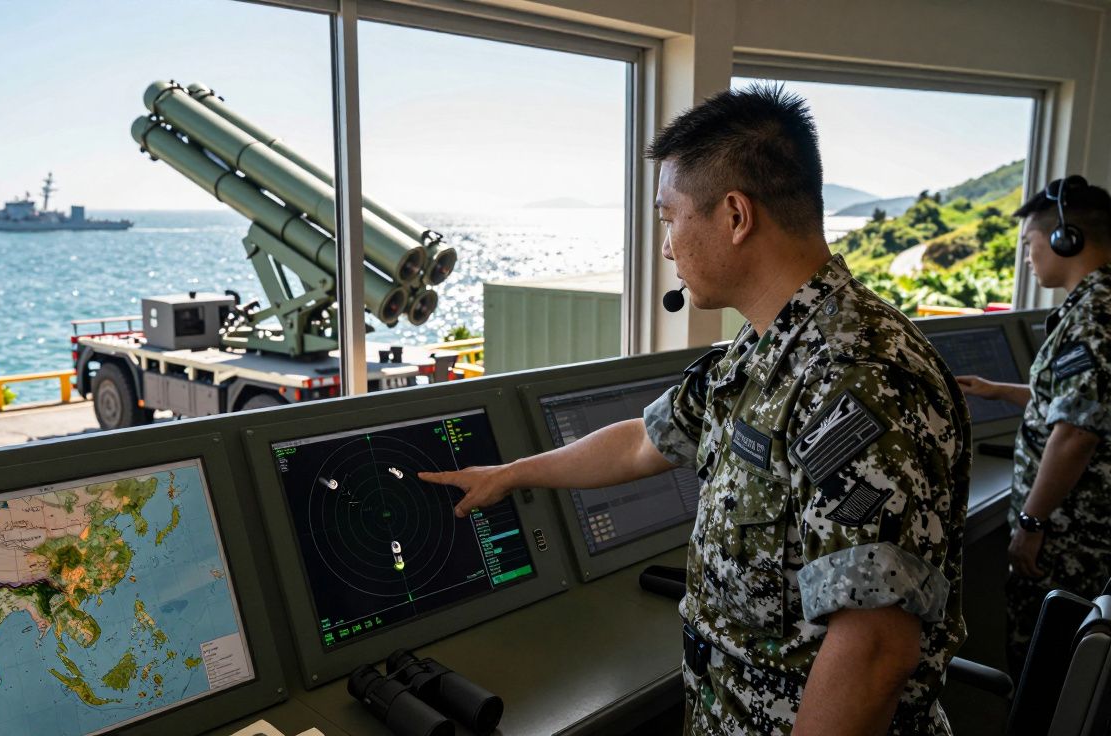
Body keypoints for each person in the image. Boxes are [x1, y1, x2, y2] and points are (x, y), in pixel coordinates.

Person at [420, 84, 970, 735]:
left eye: (668, 217)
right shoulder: (763, 348)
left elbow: (875, 651)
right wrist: (511, 473)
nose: (665, 245)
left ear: (735, 216)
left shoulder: (857, 377)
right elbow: (641, 442)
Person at [956, 176, 1111, 675]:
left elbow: (1076, 434)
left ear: (1067, 239)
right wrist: (999, 390)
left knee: (1049, 664)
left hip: (1070, 534)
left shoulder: (1092, 315)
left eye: (1030, 244)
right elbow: (1079, 405)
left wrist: (1031, 523)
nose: (1027, 257)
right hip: (1083, 526)